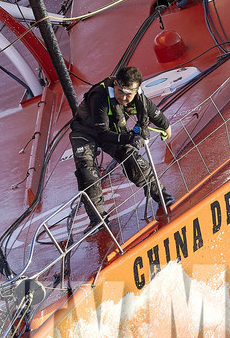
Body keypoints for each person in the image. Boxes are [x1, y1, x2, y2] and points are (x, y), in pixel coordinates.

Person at [70, 65, 173, 226]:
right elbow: (103, 133)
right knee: (86, 172)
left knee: (132, 159)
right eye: (120, 92)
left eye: (129, 95)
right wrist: (130, 139)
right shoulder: (100, 96)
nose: (124, 99)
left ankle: (162, 196)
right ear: (115, 86)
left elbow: (151, 111)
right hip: (87, 131)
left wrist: (166, 125)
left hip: (113, 131)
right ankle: (98, 220)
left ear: (136, 90)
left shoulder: (137, 96)